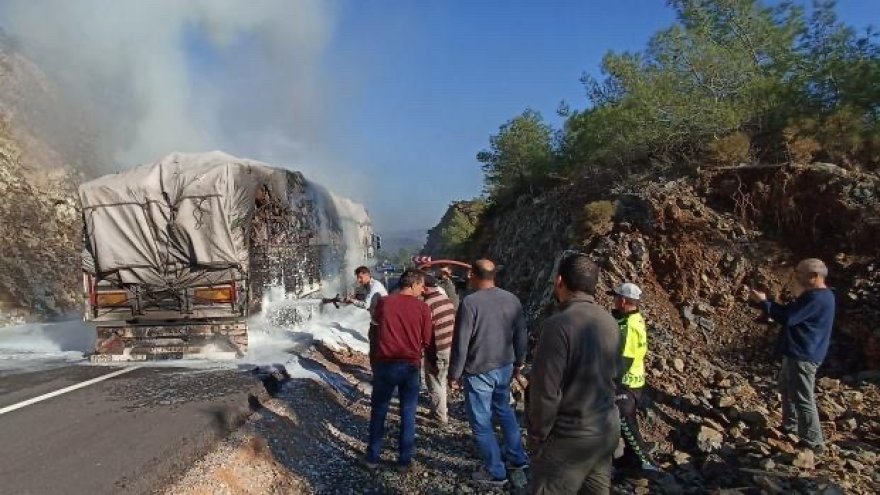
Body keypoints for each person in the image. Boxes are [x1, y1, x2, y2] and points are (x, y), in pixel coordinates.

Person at [527, 253, 621, 495]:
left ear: (559, 280)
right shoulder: (609, 322)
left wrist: (538, 435)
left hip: (570, 438)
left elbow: (546, 390)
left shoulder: (558, 325)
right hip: (605, 430)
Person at [448, 259, 529, 487]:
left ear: (473, 274)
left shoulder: (470, 303)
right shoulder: (511, 299)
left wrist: (454, 373)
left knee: (481, 421)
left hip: (478, 370)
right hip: (504, 366)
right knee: (505, 412)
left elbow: (461, 343)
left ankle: (495, 472)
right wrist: (520, 361)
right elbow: (521, 333)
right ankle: (518, 458)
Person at [750, 258, 835, 454]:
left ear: (814, 276)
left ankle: (813, 442)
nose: (795, 276)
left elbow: (789, 318)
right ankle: (791, 426)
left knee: (803, 398)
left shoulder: (816, 298)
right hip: (799, 352)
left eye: (799, 273)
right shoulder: (819, 295)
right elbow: (791, 313)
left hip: (804, 355)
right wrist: (768, 304)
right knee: (787, 388)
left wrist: (764, 303)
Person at [363, 269, 433, 472]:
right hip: (410, 366)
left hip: (385, 365)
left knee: (379, 412)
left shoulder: (385, 302)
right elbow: (427, 340)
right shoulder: (422, 308)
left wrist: (374, 359)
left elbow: (374, 331)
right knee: (408, 413)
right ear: (412, 285)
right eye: (421, 285)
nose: (423, 289)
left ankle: (373, 457)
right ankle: (404, 461)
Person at [609, 282, 658, 472]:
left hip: (627, 382)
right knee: (629, 421)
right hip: (636, 380)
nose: (613, 301)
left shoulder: (629, 326)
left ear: (623, 301)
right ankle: (630, 460)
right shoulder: (634, 319)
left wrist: (612, 381)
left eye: (615, 297)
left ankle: (645, 463)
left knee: (625, 421)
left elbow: (625, 359)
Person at [421, 273, 456, 424]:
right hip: (448, 346)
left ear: (424, 287)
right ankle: (440, 410)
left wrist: (430, 355)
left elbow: (428, 334)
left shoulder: (428, 305)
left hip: (437, 350)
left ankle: (440, 418)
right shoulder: (445, 299)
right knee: (441, 381)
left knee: (435, 383)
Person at [345, 266, 388, 364]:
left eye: (360, 277)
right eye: (357, 278)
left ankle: (380, 374)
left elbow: (365, 305)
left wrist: (352, 301)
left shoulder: (375, 286)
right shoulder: (367, 286)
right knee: (374, 350)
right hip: (376, 322)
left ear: (367, 275)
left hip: (383, 323)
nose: (359, 280)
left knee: (379, 351)